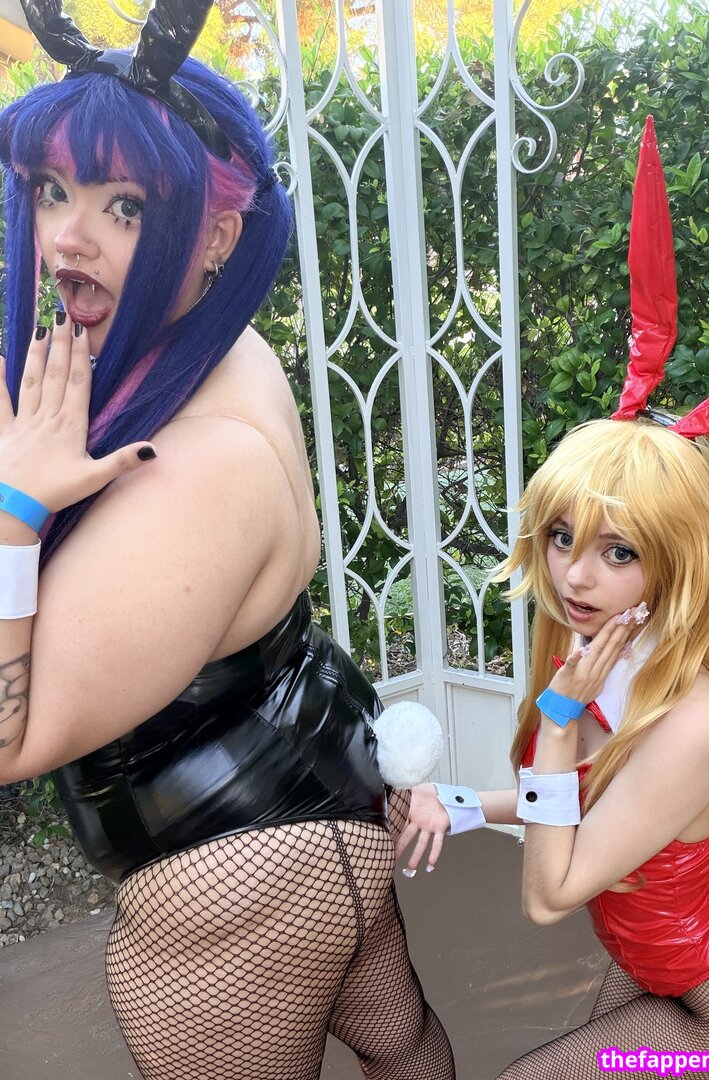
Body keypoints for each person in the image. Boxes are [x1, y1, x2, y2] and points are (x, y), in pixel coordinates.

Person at [0, 2, 454, 1078]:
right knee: (403, 1047)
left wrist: (16, 513)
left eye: (123, 205)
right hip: (322, 810)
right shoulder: (212, 349)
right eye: (53, 190)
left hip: (233, 884)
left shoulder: (191, 468)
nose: (66, 238)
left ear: (216, 235)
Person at [398, 416, 709, 1079]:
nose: (575, 577)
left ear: (676, 562)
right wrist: (460, 805)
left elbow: (548, 896)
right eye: (563, 538)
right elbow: (576, 807)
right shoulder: (598, 651)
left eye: (619, 552)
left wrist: (559, 721)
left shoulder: (691, 720)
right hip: (646, 964)